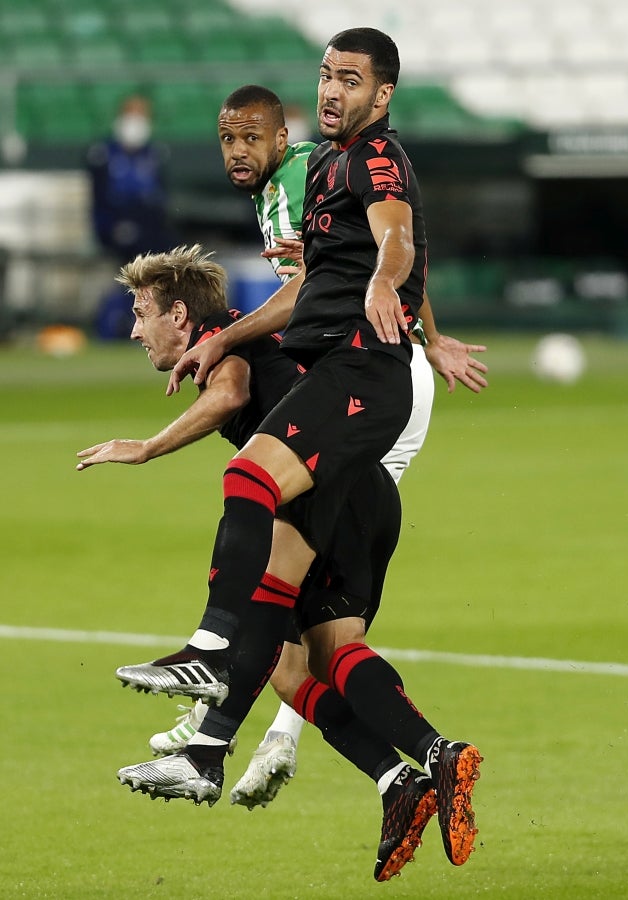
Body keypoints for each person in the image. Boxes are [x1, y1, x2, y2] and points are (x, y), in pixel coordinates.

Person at [111, 28, 483, 871]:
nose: (331, 90)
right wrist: (421, 319)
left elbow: (396, 238)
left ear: (380, 96)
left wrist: (391, 281)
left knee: (249, 483)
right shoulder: (323, 174)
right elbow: (318, 280)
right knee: (312, 655)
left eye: (349, 80)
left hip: (362, 382)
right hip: (359, 452)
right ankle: (424, 765)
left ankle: (206, 697)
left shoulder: (371, 160)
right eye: (325, 75)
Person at [77, 244, 435, 881]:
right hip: (353, 494)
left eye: (141, 312)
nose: (133, 329)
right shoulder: (239, 336)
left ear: (180, 314)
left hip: (337, 492)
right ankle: (399, 780)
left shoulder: (221, 341)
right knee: (298, 668)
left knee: (257, 588)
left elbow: (232, 390)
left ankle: (206, 717)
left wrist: (148, 448)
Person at [86, 94, 177, 338]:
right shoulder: (103, 153)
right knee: (128, 275)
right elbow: (98, 199)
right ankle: (114, 325)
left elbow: (160, 198)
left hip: (149, 230)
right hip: (116, 230)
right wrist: (109, 229)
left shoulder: (154, 154)